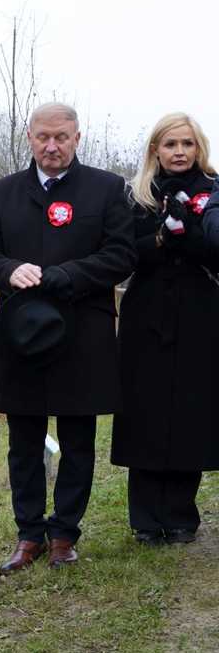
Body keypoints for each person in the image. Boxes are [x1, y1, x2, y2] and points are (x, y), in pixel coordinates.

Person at [0, 102, 136, 574]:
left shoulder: (107, 189)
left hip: (83, 334)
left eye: (61, 137)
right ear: (29, 137)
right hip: (22, 336)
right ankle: (28, 536)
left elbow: (121, 255)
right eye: (43, 137)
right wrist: (9, 270)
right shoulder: (3, 193)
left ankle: (65, 533)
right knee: (23, 440)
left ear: (77, 137)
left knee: (78, 438)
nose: (52, 146)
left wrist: (65, 275)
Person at [111, 113, 219, 545]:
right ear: (155, 148)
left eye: (187, 144)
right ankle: (144, 518)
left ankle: (179, 516)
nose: (179, 152)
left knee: (191, 408)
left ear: (198, 148)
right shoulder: (135, 196)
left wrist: (191, 235)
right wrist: (159, 239)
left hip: (199, 312)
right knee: (145, 409)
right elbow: (121, 255)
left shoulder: (212, 190)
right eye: (170, 144)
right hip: (146, 313)